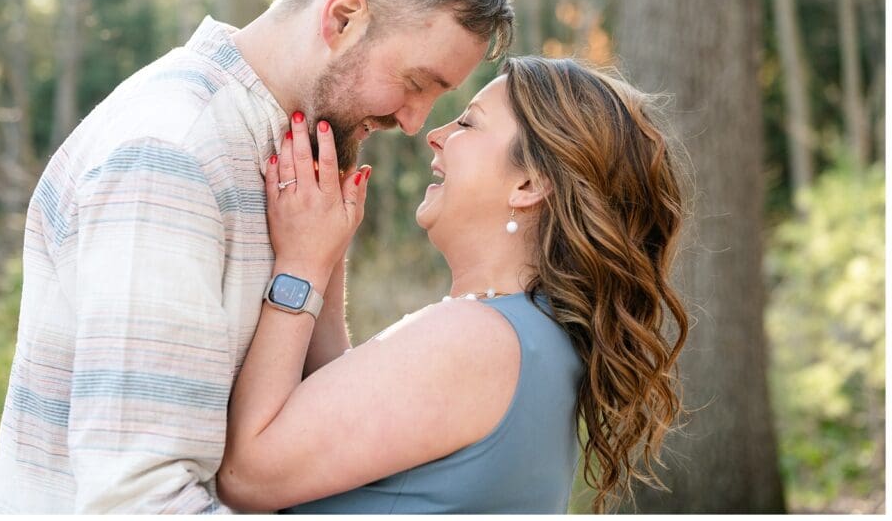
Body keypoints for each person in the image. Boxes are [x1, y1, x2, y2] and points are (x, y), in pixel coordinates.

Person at [0, 0, 513, 514]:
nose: (414, 122)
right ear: (342, 17)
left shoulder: (299, 160)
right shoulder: (173, 154)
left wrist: (317, 267)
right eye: (414, 82)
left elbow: (307, 436)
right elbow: (137, 501)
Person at [216, 56, 690, 514]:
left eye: (467, 124)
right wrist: (328, 255)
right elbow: (336, 421)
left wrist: (299, 266)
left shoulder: (478, 339)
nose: (436, 136)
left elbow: (247, 475)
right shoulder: (536, 334)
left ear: (528, 184)